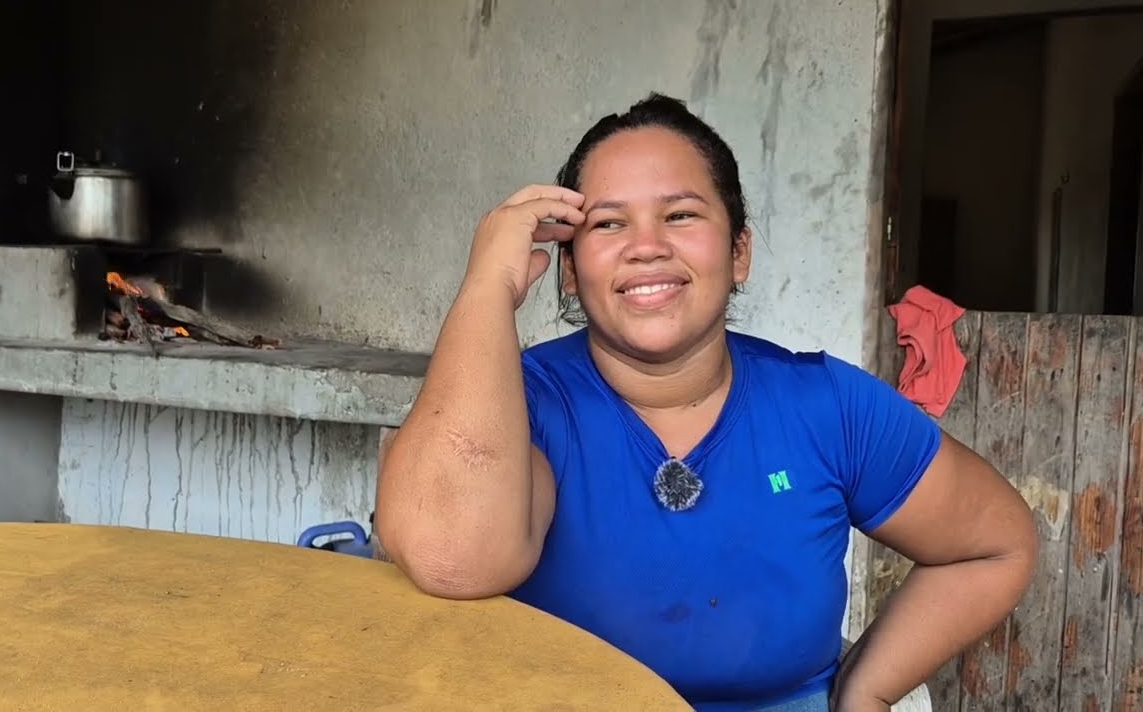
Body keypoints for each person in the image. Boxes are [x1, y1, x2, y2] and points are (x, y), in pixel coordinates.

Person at [374, 93, 1037, 711]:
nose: (646, 246)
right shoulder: (525, 406)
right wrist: (487, 284)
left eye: (681, 214)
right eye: (608, 223)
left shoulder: (827, 407)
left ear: (738, 251)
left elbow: (994, 545)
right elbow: (452, 556)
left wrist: (865, 692)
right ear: (571, 271)